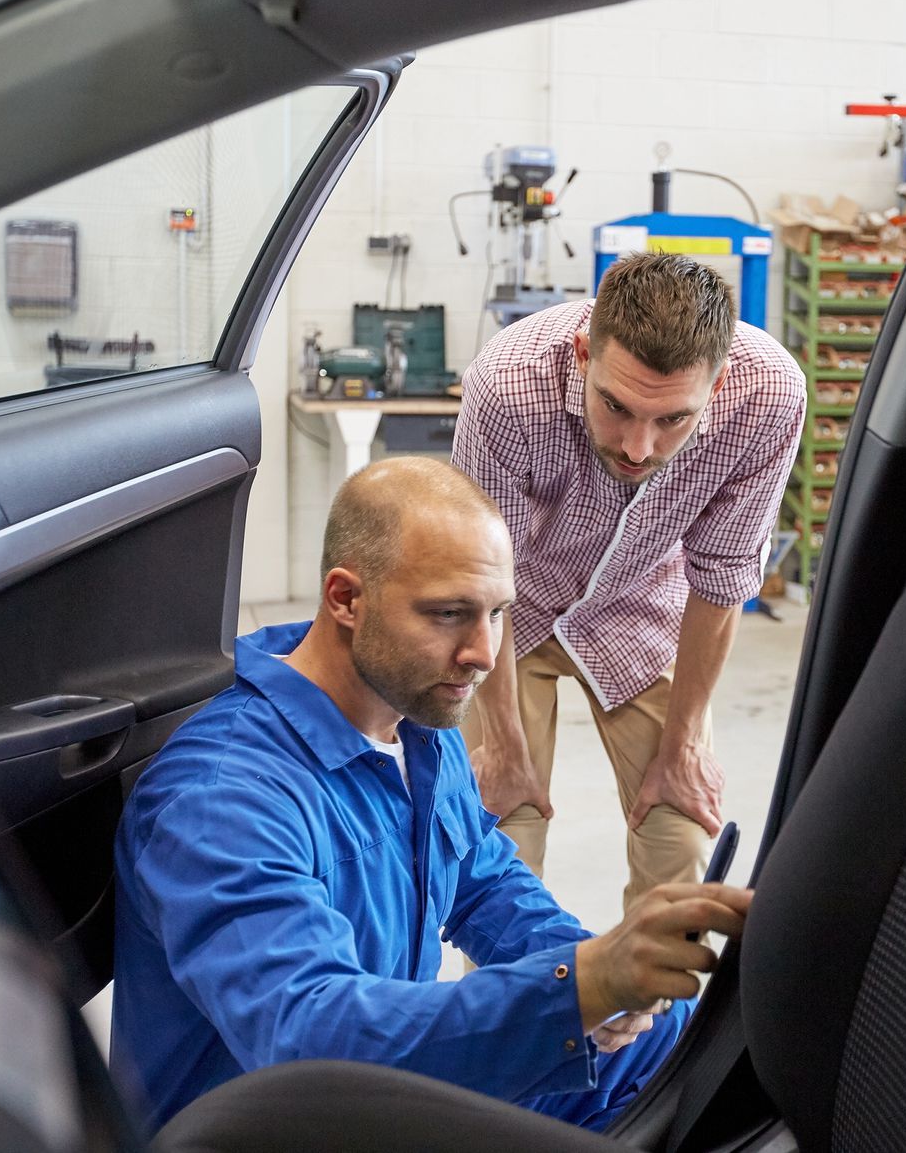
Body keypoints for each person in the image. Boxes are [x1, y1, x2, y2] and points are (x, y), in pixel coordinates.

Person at [110, 457, 750, 1133]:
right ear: (346, 598)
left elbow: (482, 882)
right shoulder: (222, 799)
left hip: (380, 1096)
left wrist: (606, 972)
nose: (483, 651)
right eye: (449, 613)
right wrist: (579, 985)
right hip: (273, 1125)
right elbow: (309, 1039)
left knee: (679, 1043)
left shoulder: (414, 713)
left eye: (499, 613)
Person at [453, 252, 804, 910]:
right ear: (585, 353)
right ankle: (522, 1008)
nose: (639, 447)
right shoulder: (508, 383)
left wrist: (686, 740)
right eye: (616, 406)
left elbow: (722, 577)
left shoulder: (769, 395)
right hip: (510, 609)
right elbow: (481, 572)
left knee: (680, 826)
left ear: (719, 382)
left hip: (640, 605)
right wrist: (501, 742)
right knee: (500, 827)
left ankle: (647, 1010)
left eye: (673, 418)